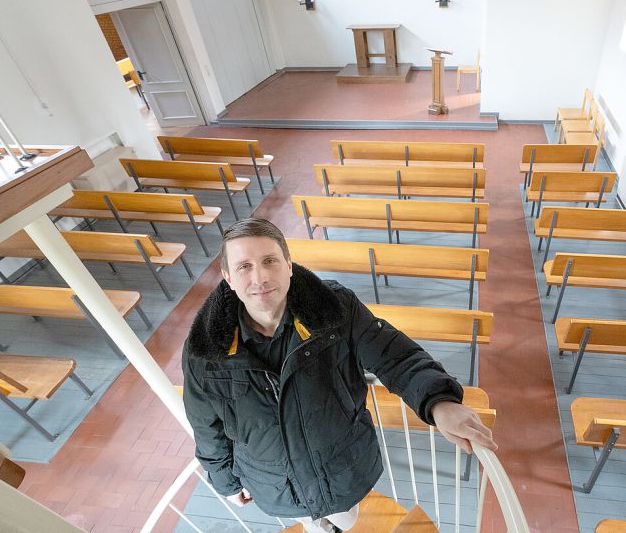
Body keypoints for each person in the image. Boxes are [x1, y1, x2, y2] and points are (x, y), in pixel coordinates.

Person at [182, 218, 497, 533]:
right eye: (244, 267)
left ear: (288, 265)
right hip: (275, 485)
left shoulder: (334, 309)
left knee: (349, 519)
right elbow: (207, 427)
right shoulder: (205, 351)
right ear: (227, 278)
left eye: (269, 261)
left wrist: (439, 402)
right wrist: (225, 482)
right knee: (310, 524)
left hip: (344, 470)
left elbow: (394, 355)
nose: (260, 277)